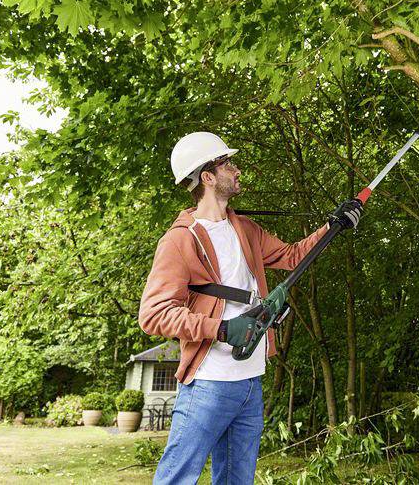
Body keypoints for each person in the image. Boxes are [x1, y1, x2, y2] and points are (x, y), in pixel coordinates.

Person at [139, 132, 362, 485]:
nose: (237, 169)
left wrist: (333, 227)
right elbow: (153, 313)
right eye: (228, 163)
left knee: (237, 481)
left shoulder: (245, 228)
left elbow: (291, 256)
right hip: (209, 383)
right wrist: (223, 330)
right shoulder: (181, 239)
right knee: (176, 479)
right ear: (208, 177)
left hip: (249, 383)